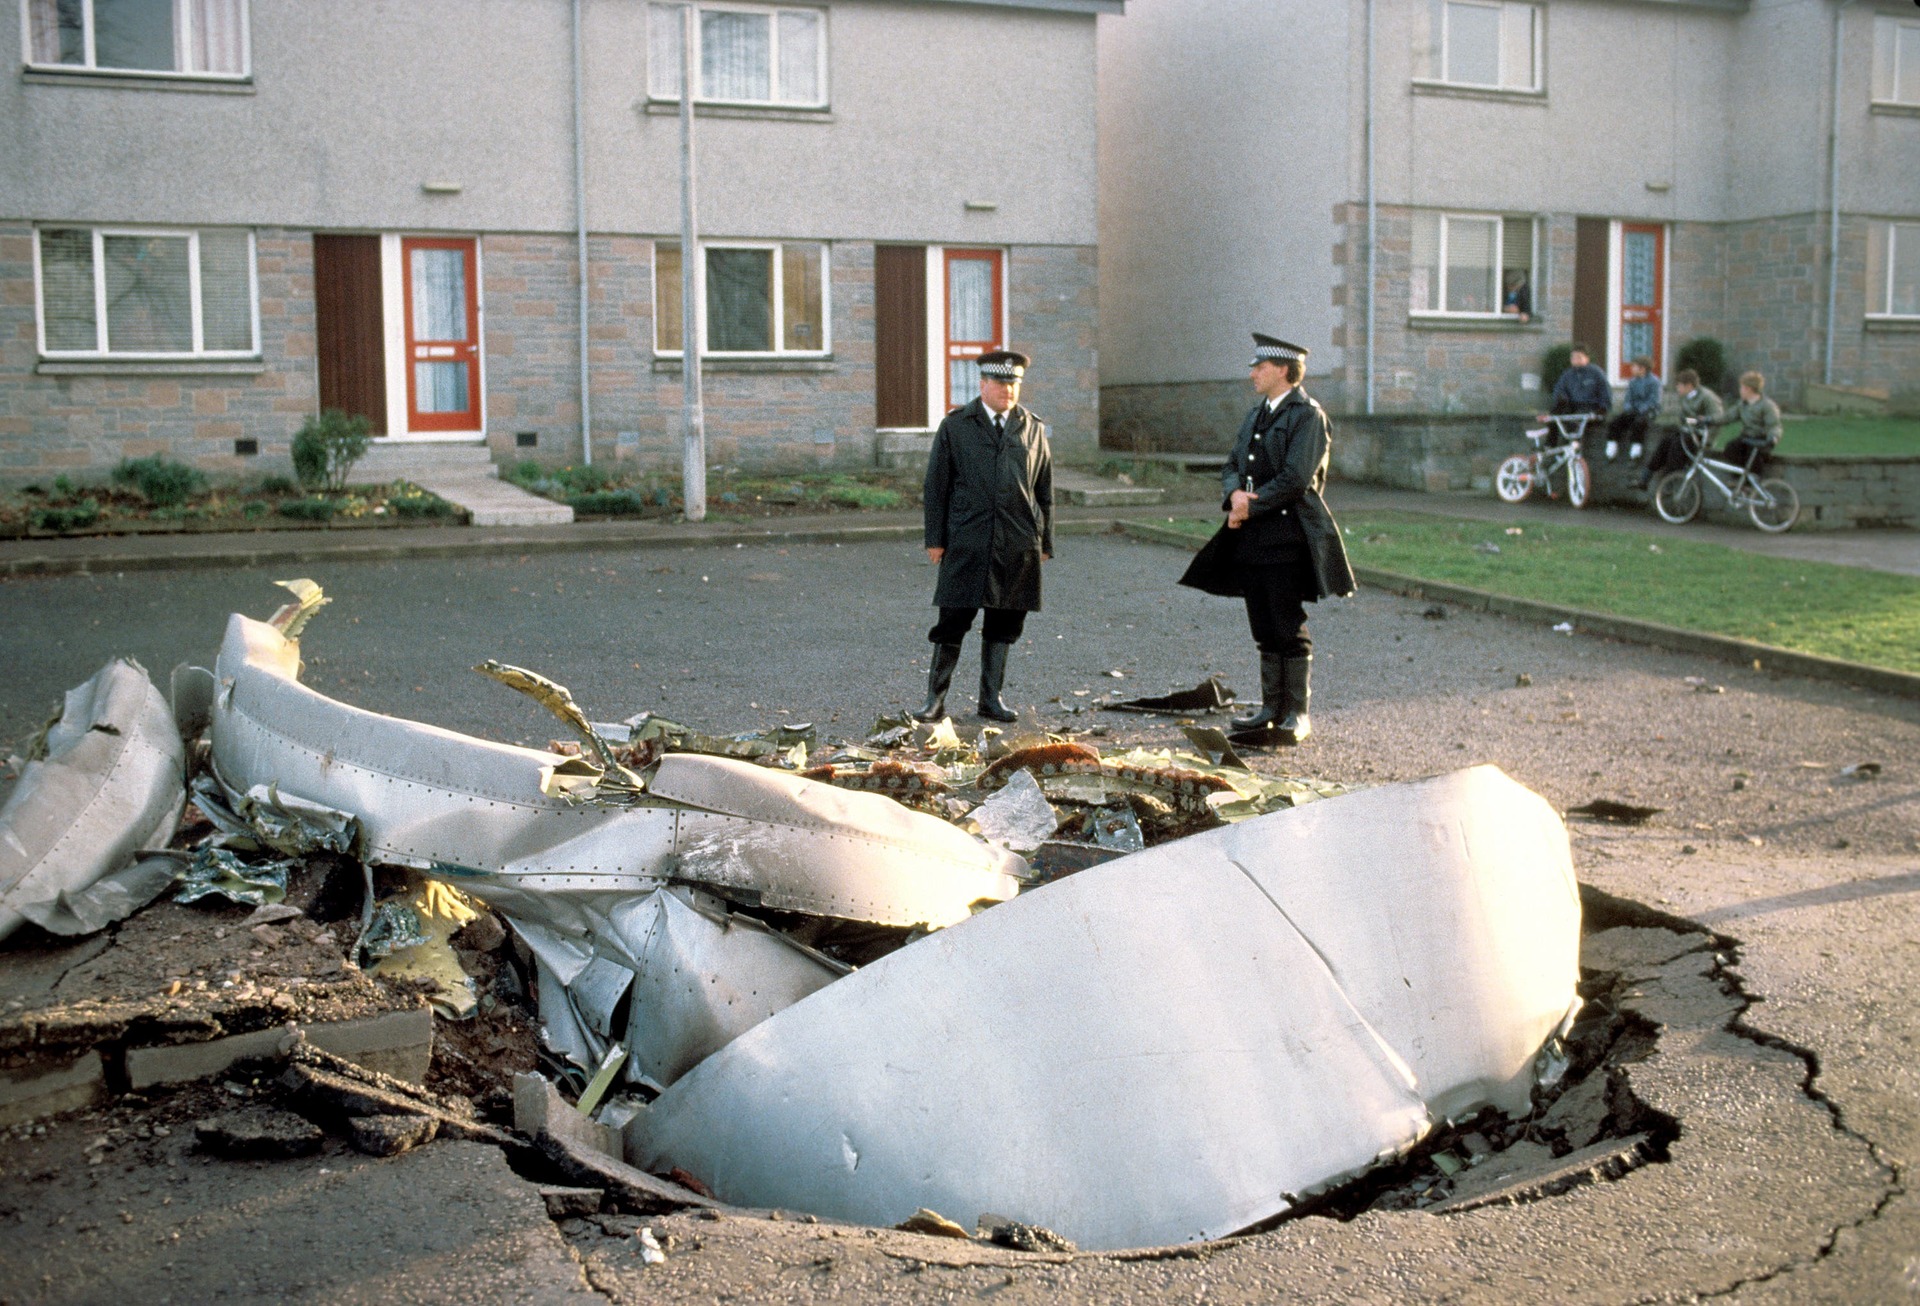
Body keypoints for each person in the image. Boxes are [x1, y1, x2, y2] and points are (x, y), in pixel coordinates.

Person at [1178, 334, 1355, 746]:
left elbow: (1297, 478)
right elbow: (1232, 463)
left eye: (1260, 367)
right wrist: (1233, 493)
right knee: (1262, 623)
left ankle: (1297, 713)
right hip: (1253, 537)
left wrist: (1247, 505)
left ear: (1282, 370)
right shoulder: (1258, 413)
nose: (1253, 373)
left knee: (1286, 623)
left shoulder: (1307, 416)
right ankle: (1269, 709)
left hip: (1287, 537)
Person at [912, 349, 1053, 724]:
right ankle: (935, 701)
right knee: (953, 619)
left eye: (1014, 384)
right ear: (983, 384)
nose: (1007, 390)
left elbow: (1044, 492)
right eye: (1000, 383)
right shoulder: (957, 426)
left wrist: (1046, 541)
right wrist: (935, 538)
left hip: (1018, 543)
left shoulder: (1033, 428)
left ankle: (991, 699)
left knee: (1005, 623)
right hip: (968, 541)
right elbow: (936, 486)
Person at [1636, 368, 1723, 490]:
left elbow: (1719, 417)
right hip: (1689, 432)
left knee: (1676, 446)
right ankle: (1645, 477)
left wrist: (1699, 421)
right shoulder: (1685, 397)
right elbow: (1687, 419)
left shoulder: (1707, 397)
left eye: (1679, 385)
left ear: (1689, 386)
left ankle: (1668, 482)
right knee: (1665, 442)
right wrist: (1689, 421)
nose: (1677, 388)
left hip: (1703, 436)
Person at [1712, 370, 1783, 485]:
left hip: (1761, 440)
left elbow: (1774, 425)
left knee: (1753, 455)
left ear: (1748, 389)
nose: (1740, 391)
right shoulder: (1743, 404)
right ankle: (1739, 478)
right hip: (1746, 438)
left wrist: (1773, 437)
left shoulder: (1767, 405)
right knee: (1731, 448)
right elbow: (1728, 417)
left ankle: (1752, 483)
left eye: (1741, 388)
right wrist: (1710, 420)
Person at [1547, 343, 1612, 452]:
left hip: (1590, 406)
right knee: (1554, 416)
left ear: (1587, 358)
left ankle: (1575, 449)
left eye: (1579, 357)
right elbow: (1559, 389)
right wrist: (1561, 399)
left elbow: (1605, 392)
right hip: (1572, 404)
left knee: (1576, 421)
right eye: (1573, 357)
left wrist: (1603, 409)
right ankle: (1550, 447)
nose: (1575, 360)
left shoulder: (1596, 373)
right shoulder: (1567, 374)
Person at [1604, 355, 1661, 461]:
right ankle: (1612, 447)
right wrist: (1628, 408)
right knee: (1616, 421)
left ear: (1642, 368)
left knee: (1639, 423)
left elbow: (1653, 401)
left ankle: (1636, 449)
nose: (1631, 369)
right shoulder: (1633, 381)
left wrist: (1640, 409)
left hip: (1648, 411)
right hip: (1634, 410)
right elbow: (1628, 399)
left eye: (1634, 367)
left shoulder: (1654, 382)